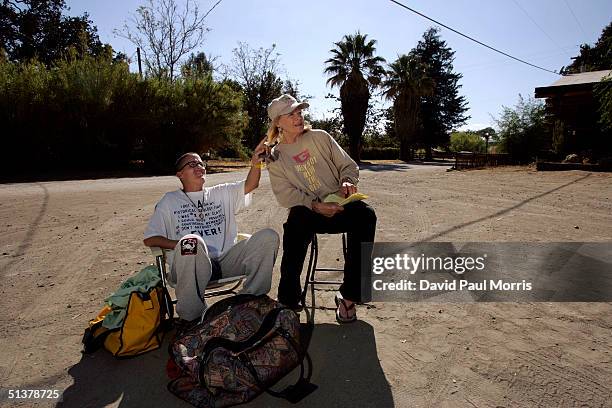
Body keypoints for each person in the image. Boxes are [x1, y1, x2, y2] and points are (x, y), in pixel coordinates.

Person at [265, 94, 377, 324]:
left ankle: (349, 297)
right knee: (295, 221)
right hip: (310, 213)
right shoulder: (275, 157)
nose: (298, 117)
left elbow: (347, 165)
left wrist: (347, 179)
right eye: (291, 114)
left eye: (299, 112)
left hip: (340, 206)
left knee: (366, 215)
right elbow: (285, 194)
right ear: (278, 122)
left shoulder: (321, 137)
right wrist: (315, 205)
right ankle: (288, 301)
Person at [143, 146, 279, 321]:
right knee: (191, 242)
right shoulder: (169, 201)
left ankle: (250, 302)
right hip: (189, 266)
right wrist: (184, 245)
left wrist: (256, 164)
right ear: (180, 174)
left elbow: (251, 185)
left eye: (200, 163)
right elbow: (150, 238)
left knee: (268, 237)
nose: (199, 166)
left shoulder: (220, 193)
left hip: (224, 262)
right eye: (191, 164)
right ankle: (192, 318)